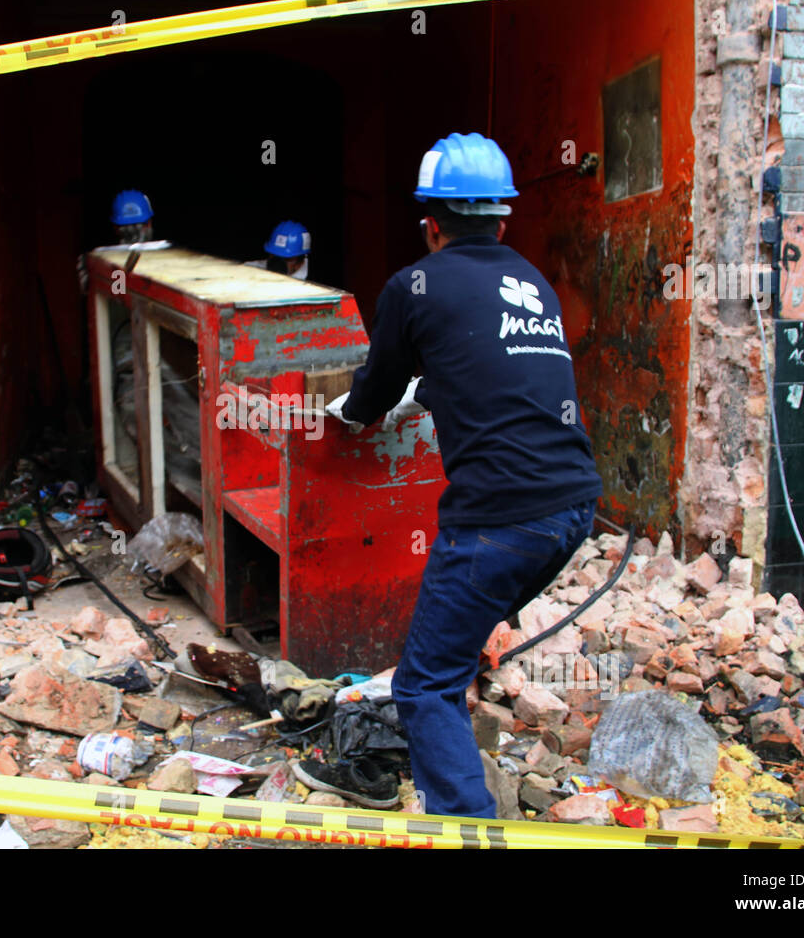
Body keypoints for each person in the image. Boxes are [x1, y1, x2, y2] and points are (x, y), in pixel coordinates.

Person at [324, 132, 603, 818]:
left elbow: (376, 389)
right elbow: (497, 370)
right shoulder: (534, 283)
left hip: (501, 518)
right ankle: (464, 704)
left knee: (420, 685)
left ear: (430, 225)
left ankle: (466, 828)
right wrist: (435, 386)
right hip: (573, 507)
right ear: (502, 221)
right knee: (461, 639)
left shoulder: (412, 286)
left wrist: (348, 415)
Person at [245, 220, 311, 280]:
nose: (277, 264)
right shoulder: (251, 269)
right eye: (274, 255)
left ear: (301, 261)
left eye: (287, 259)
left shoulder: (312, 283)